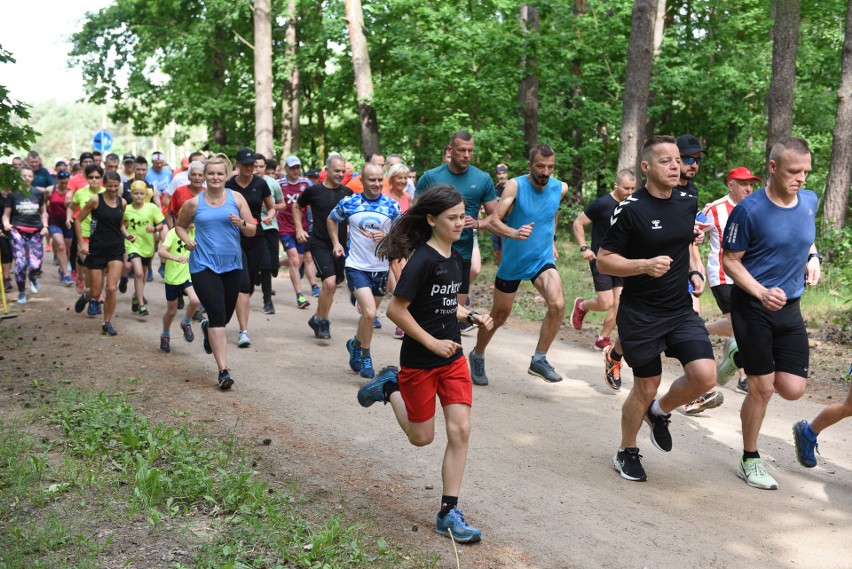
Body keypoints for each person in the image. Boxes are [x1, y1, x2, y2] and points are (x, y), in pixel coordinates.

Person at [357, 184, 493, 544]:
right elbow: (396, 310)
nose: (460, 223)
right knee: (422, 437)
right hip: (420, 360)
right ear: (432, 219)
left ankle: (449, 512)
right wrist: (431, 342)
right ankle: (390, 385)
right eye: (453, 218)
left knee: (460, 430)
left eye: (463, 216)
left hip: (452, 359)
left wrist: (471, 315)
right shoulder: (422, 260)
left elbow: (446, 304)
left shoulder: (456, 258)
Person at [596, 135, 716, 483]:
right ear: (646, 167)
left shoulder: (688, 198)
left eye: (678, 160)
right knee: (646, 385)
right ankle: (626, 450)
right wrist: (643, 266)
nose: (676, 166)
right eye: (666, 161)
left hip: (679, 309)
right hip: (641, 314)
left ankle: (660, 411)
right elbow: (605, 261)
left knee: (705, 376)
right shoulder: (631, 208)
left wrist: (694, 269)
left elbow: (684, 243)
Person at [721, 136, 820, 490]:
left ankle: (737, 353)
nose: (802, 179)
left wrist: (813, 258)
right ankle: (750, 458)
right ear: (774, 168)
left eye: (806, 171)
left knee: (792, 389)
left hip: (790, 307)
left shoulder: (809, 200)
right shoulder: (749, 210)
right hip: (753, 306)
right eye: (794, 171)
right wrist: (760, 291)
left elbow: (805, 235)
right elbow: (729, 261)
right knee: (761, 389)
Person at [468, 145, 569, 385]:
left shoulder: (560, 188)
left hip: (541, 260)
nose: (546, 171)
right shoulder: (515, 185)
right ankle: (478, 353)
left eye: (550, 167)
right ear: (530, 165)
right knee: (499, 316)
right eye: (540, 166)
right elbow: (493, 221)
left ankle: (539, 359)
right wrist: (514, 233)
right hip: (513, 262)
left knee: (557, 304)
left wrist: (552, 239)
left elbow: (553, 211)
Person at [682, 166, 760, 415]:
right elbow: (690, 233)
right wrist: (696, 266)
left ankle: (705, 331)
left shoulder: (757, 207)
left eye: (751, 184)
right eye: (743, 183)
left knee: (744, 325)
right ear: (730, 184)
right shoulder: (714, 209)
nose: (749, 188)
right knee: (740, 324)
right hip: (722, 275)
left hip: (748, 276)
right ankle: (740, 375)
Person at [175, 156, 257, 389]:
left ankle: (206, 328)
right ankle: (223, 371)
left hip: (232, 264)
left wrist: (241, 223)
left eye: (220, 174)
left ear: (227, 176)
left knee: (224, 316)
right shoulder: (193, 203)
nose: (215, 178)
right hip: (203, 265)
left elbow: (252, 230)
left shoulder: (236, 198)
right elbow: (179, 225)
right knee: (219, 316)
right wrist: (187, 240)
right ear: (203, 176)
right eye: (210, 174)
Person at [330, 163, 401, 378]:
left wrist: (389, 239)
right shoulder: (350, 202)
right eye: (372, 180)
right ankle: (366, 356)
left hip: (380, 268)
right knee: (370, 313)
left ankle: (355, 344)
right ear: (362, 180)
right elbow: (332, 219)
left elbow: (402, 237)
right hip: (356, 266)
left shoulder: (392, 206)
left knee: (368, 318)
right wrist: (336, 242)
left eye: (380, 179)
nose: (377, 184)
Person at [415, 131, 498, 312]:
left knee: (454, 312)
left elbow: (495, 215)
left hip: (462, 255)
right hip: (431, 253)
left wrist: (478, 224)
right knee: (428, 309)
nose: (466, 155)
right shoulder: (431, 177)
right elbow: (414, 213)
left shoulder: (482, 179)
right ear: (450, 150)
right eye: (462, 150)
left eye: (470, 151)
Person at [570, 169, 636, 354]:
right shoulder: (602, 204)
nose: (630, 192)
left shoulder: (633, 205)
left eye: (633, 188)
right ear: (616, 185)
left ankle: (602, 338)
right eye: (626, 188)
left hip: (622, 261)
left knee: (620, 304)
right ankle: (582, 305)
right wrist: (584, 248)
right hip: (601, 260)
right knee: (605, 302)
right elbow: (578, 223)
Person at [294, 155, 353, 339]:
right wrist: (299, 228)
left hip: (340, 245)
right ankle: (324, 320)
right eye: (337, 171)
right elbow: (297, 206)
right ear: (326, 170)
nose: (340, 174)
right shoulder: (314, 191)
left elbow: (353, 215)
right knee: (328, 282)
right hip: (319, 242)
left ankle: (317, 318)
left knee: (333, 285)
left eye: (343, 171)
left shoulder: (348, 192)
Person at [226, 148, 275, 348]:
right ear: (237, 165)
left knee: (250, 283)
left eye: (252, 164)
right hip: (234, 238)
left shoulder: (260, 184)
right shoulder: (228, 185)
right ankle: (243, 331)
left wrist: (270, 215)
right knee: (244, 285)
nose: (249, 167)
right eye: (245, 164)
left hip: (256, 236)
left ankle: (239, 305)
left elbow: (271, 206)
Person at [73, 171, 130, 335]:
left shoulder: (122, 202)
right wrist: (81, 242)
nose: (113, 189)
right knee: (96, 292)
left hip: (116, 248)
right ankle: (86, 295)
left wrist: (127, 235)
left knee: (111, 288)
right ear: (104, 185)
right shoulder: (96, 200)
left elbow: (119, 224)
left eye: (116, 186)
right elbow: (78, 220)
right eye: (110, 186)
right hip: (97, 248)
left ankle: (107, 322)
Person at [2, 166, 48, 304]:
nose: (26, 178)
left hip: (35, 232)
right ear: (19, 178)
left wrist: (45, 226)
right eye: (23, 176)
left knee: (35, 264)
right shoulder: (13, 194)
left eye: (29, 176)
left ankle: (33, 276)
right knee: (21, 263)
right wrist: (5, 223)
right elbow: (6, 214)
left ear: (33, 178)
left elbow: (43, 212)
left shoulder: (38, 193)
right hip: (17, 231)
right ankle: (22, 292)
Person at [123, 180, 166, 316]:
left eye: (141, 194)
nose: (139, 196)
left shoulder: (151, 208)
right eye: (136, 193)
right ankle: (142, 305)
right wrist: (127, 235)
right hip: (133, 245)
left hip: (147, 245)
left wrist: (153, 229)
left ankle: (136, 296)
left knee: (144, 274)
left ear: (146, 194)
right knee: (139, 273)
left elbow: (160, 224)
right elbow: (122, 224)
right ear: (131, 194)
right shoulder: (127, 209)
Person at [277, 155, 313, 309]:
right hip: (284, 227)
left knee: (300, 259)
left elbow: (312, 203)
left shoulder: (306, 183)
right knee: (295, 260)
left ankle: (277, 264)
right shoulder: (279, 184)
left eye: (297, 167)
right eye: (292, 168)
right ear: (286, 169)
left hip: (302, 228)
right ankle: (300, 296)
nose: (295, 170)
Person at [157, 223, 200, 353]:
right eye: (190, 219)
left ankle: (186, 322)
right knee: (171, 312)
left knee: (195, 300)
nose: (192, 223)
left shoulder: (197, 231)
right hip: (173, 276)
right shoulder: (173, 232)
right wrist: (176, 258)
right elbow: (161, 251)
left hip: (189, 274)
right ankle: (165, 335)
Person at [254, 153, 285, 315]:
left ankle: (260, 273)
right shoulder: (246, 183)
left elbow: (282, 204)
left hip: (270, 227)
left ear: (265, 167)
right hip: (253, 229)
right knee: (265, 265)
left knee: (273, 265)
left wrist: (271, 210)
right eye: (255, 166)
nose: (258, 169)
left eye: (261, 166)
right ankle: (268, 301)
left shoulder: (272, 183)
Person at [47, 170, 74, 286]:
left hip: (68, 222)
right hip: (54, 222)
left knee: (67, 250)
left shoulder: (71, 191)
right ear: (57, 180)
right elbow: (43, 203)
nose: (64, 185)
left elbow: (73, 206)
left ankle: (62, 268)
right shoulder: (50, 190)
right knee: (61, 246)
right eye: (62, 183)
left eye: (66, 183)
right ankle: (66, 274)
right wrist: (45, 215)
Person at [489, 164, 510, 267]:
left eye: (504, 173)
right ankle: (499, 277)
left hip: (508, 224)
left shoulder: (512, 188)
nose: (502, 176)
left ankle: (506, 278)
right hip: (495, 224)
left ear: (507, 174)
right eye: (499, 173)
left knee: (505, 252)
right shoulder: (495, 189)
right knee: (497, 251)